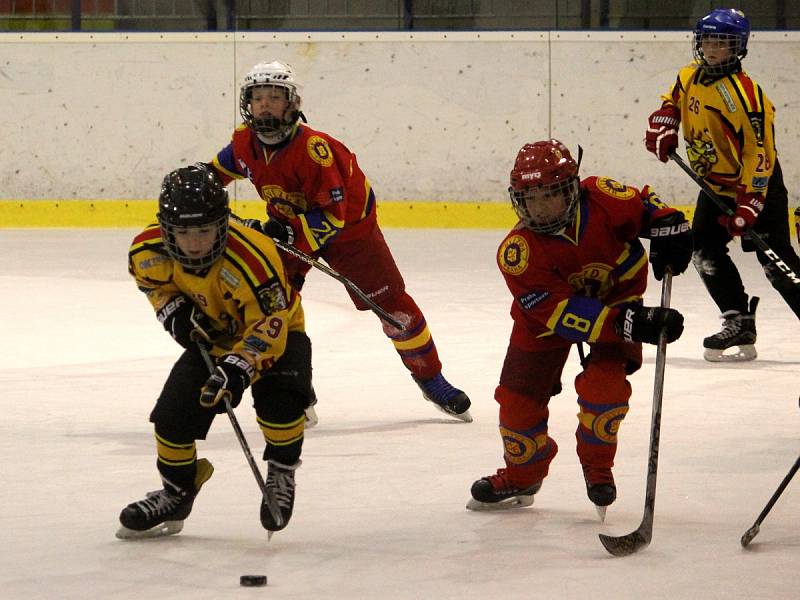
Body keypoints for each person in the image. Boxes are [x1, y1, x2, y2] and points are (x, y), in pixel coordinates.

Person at [206, 60, 472, 422]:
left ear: (292, 102)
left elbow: (332, 217)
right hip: (289, 228)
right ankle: (297, 389)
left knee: (394, 308)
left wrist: (285, 233)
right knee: (273, 307)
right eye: (258, 97)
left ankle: (432, 379)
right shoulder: (243, 142)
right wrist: (191, 183)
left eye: (274, 97)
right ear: (247, 103)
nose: (265, 105)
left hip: (351, 234)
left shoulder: (315, 150)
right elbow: (214, 174)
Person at [467, 140, 690, 512]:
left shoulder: (603, 197)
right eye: (529, 198)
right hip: (546, 323)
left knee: (607, 392)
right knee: (517, 403)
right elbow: (562, 315)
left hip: (615, 299)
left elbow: (645, 206)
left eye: (548, 195)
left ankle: (598, 468)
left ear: (571, 187)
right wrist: (634, 324)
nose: (538, 208)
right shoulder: (517, 254)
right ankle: (523, 476)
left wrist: (668, 223)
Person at [117, 164, 311, 539]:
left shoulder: (255, 255)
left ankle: (282, 472)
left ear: (222, 224)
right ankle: (177, 492)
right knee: (171, 420)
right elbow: (155, 287)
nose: (193, 243)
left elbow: (271, 325)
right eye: (183, 232)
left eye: (204, 231)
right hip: (214, 337)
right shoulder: (147, 249)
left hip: (278, 334)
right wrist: (173, 312)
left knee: (281, 405)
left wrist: (238, 369)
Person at [645, 8, 800, 362]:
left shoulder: (747, 97)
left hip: (756, 187)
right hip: (715, 185)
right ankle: (737, 319)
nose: (713, 48)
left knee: (776, 263)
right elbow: (673, 98)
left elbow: (760, 153)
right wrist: (665, 119)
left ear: (738, 48)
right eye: (708, 40)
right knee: (703, 249)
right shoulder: (689, 75)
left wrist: (750, 203)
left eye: (723, 42)